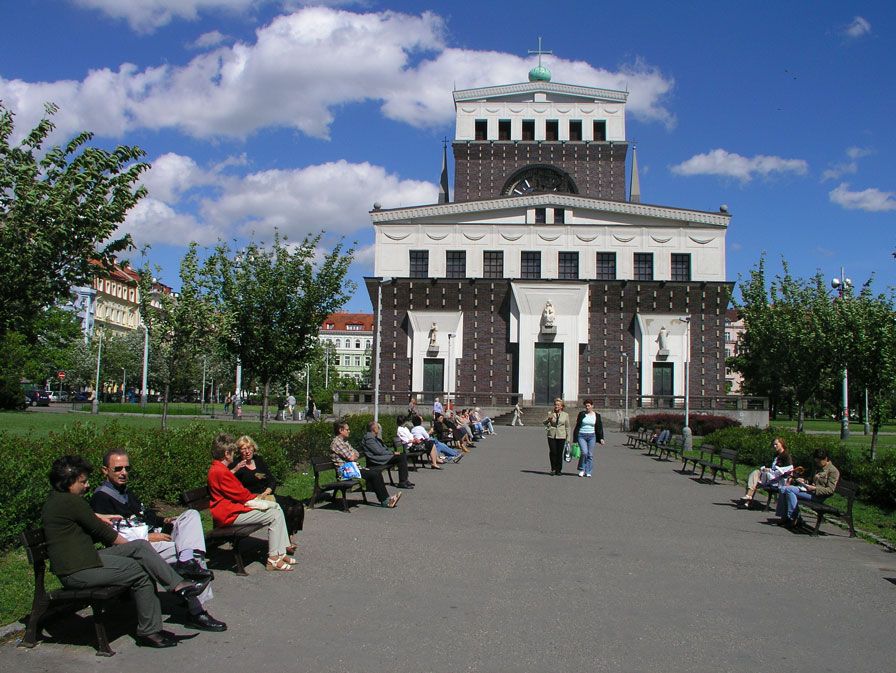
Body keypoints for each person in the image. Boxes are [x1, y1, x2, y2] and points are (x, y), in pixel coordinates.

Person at [42, 456, 210, 648]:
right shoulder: (71, 502)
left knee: (140, 546)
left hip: (85, 559)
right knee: (139, 570)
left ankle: (179, 585)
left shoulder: (58, 499)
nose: (87, 485)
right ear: (68, 482)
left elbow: (78, 518)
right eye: (83, 481)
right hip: (78, 570)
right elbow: (104, 533)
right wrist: (125, 546)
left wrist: (101, 520)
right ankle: (150, 631)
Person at [90, 449, 225, 632]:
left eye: (127, 468)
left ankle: (187, 563)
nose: (124, 473)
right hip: (139, 547)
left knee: (191, 516)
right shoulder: (101, 498)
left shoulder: (125, 492)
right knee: (194, 554)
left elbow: (144, 516)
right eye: (118, 469)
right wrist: (148, 537)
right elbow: (113, 535)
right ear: (105, 470)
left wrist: (165, 521)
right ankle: (197, 611)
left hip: (155, 535)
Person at [207, 434, 295, 571]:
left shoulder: (219, 469)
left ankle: (280, 553)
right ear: (226, 454)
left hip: (231, 510)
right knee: (274, 514)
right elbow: (240, 494)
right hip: (229, 515)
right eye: (233, 452)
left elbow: (238, 493)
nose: (234, 454)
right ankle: (273, 558)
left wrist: (258, 498)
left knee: (277, 508)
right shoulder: (220, 472)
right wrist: (257, 499)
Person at [230, 435, 305, 535]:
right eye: (244, 449)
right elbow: (228, 480)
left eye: (249, 448)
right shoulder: (237, 465)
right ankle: (284, 538)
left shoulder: (258, 460)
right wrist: (235, 469)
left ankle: (289, 535)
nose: (247, 451)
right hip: (253, 498)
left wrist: (267, 491)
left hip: (267, 495)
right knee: (284, 508)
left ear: (253, 448)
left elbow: (272, 479)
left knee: (297, 505)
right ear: (239, 451)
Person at [330, 421, 401, 507]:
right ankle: (386, 501)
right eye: (347, 429)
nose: (349, 431)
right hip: (345, 472)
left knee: (376, 472)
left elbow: (356, 454)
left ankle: (386, 499)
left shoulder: (344, 442)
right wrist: (353, 455)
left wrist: (353, 455)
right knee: (374, 474)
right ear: (341, 430)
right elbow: (351, 457)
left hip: (352, 469)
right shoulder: (337, 443)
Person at [775, 449, 840, 528]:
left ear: (825, 459)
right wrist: (804, 481)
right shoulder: (817, 467)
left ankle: (794, 517)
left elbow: (830, 490)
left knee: (789, 490)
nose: (817, 463)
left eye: (819, 462)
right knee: (783, 489)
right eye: (816, 461)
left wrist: (815, 488)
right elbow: (811, 480)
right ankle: (784, 516)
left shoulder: (833, 471)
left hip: (818, 496)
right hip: (808, 490)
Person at [738, 437, 792, 508]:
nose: (774, 446)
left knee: (755, 478)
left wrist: (770, 470)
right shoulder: (776, 455)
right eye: (773, 445)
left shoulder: (786, 456)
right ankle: (748, 498)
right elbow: (772, 467)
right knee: (755, 474)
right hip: (769, 476)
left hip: (777, 480)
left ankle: (748, 501)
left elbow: (788, 470)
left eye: (776, 444)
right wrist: (765, 469)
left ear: (782, 444)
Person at [360, 421, 415, 489]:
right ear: (374, 429)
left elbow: (382, 449)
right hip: (376, 459)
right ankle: (403, 482)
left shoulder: (373, 437)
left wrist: (392, 452)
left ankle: (405, 480)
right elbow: (379, 451)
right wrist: (392, 453)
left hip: (381, 456)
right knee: (401, 457)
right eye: (378, 427)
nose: (379, 428)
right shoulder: (369, 438)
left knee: (402, 455)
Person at [572, 399, 604, 478]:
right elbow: (577, 426)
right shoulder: (582, 414)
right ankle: (582, 469)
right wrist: (575, 439)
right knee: (584, 452)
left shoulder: (597, 415)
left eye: (589, 405)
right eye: (586, 406)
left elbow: (599, 427)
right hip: (581, 435)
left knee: (590, 454)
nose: (587, 407)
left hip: (592, 436)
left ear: (592, 406)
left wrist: (601, 438)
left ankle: (588, 471)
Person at [544, 398, 571, 475]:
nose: (556, 406)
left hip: (561, 435)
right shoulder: (550, 413)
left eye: (558, 405)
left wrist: (568, 438)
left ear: (562, 406)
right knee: (553, 452)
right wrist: (549, 419)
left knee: (559, 453)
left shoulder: (565, 415)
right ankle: (553, 468)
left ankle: (558, 470)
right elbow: (544, 423)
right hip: (551, 435)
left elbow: (567, 427)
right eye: (555, 405)